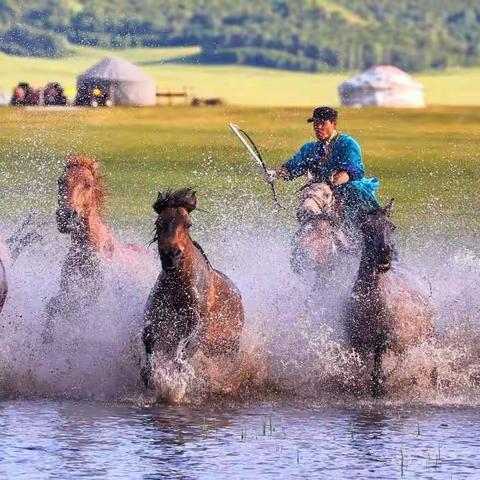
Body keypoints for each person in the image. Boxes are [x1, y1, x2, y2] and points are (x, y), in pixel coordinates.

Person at [265, 106, 380, 227]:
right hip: (320, 193)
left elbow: (353, 170)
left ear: (333, 123)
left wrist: (333, 183)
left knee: (370, 224)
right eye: (315, 123)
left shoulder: (348, 143)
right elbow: (292, 168)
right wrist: (275, 174)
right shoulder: (310, 148)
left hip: (348, 191)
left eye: (322, 123)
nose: (318, 127)